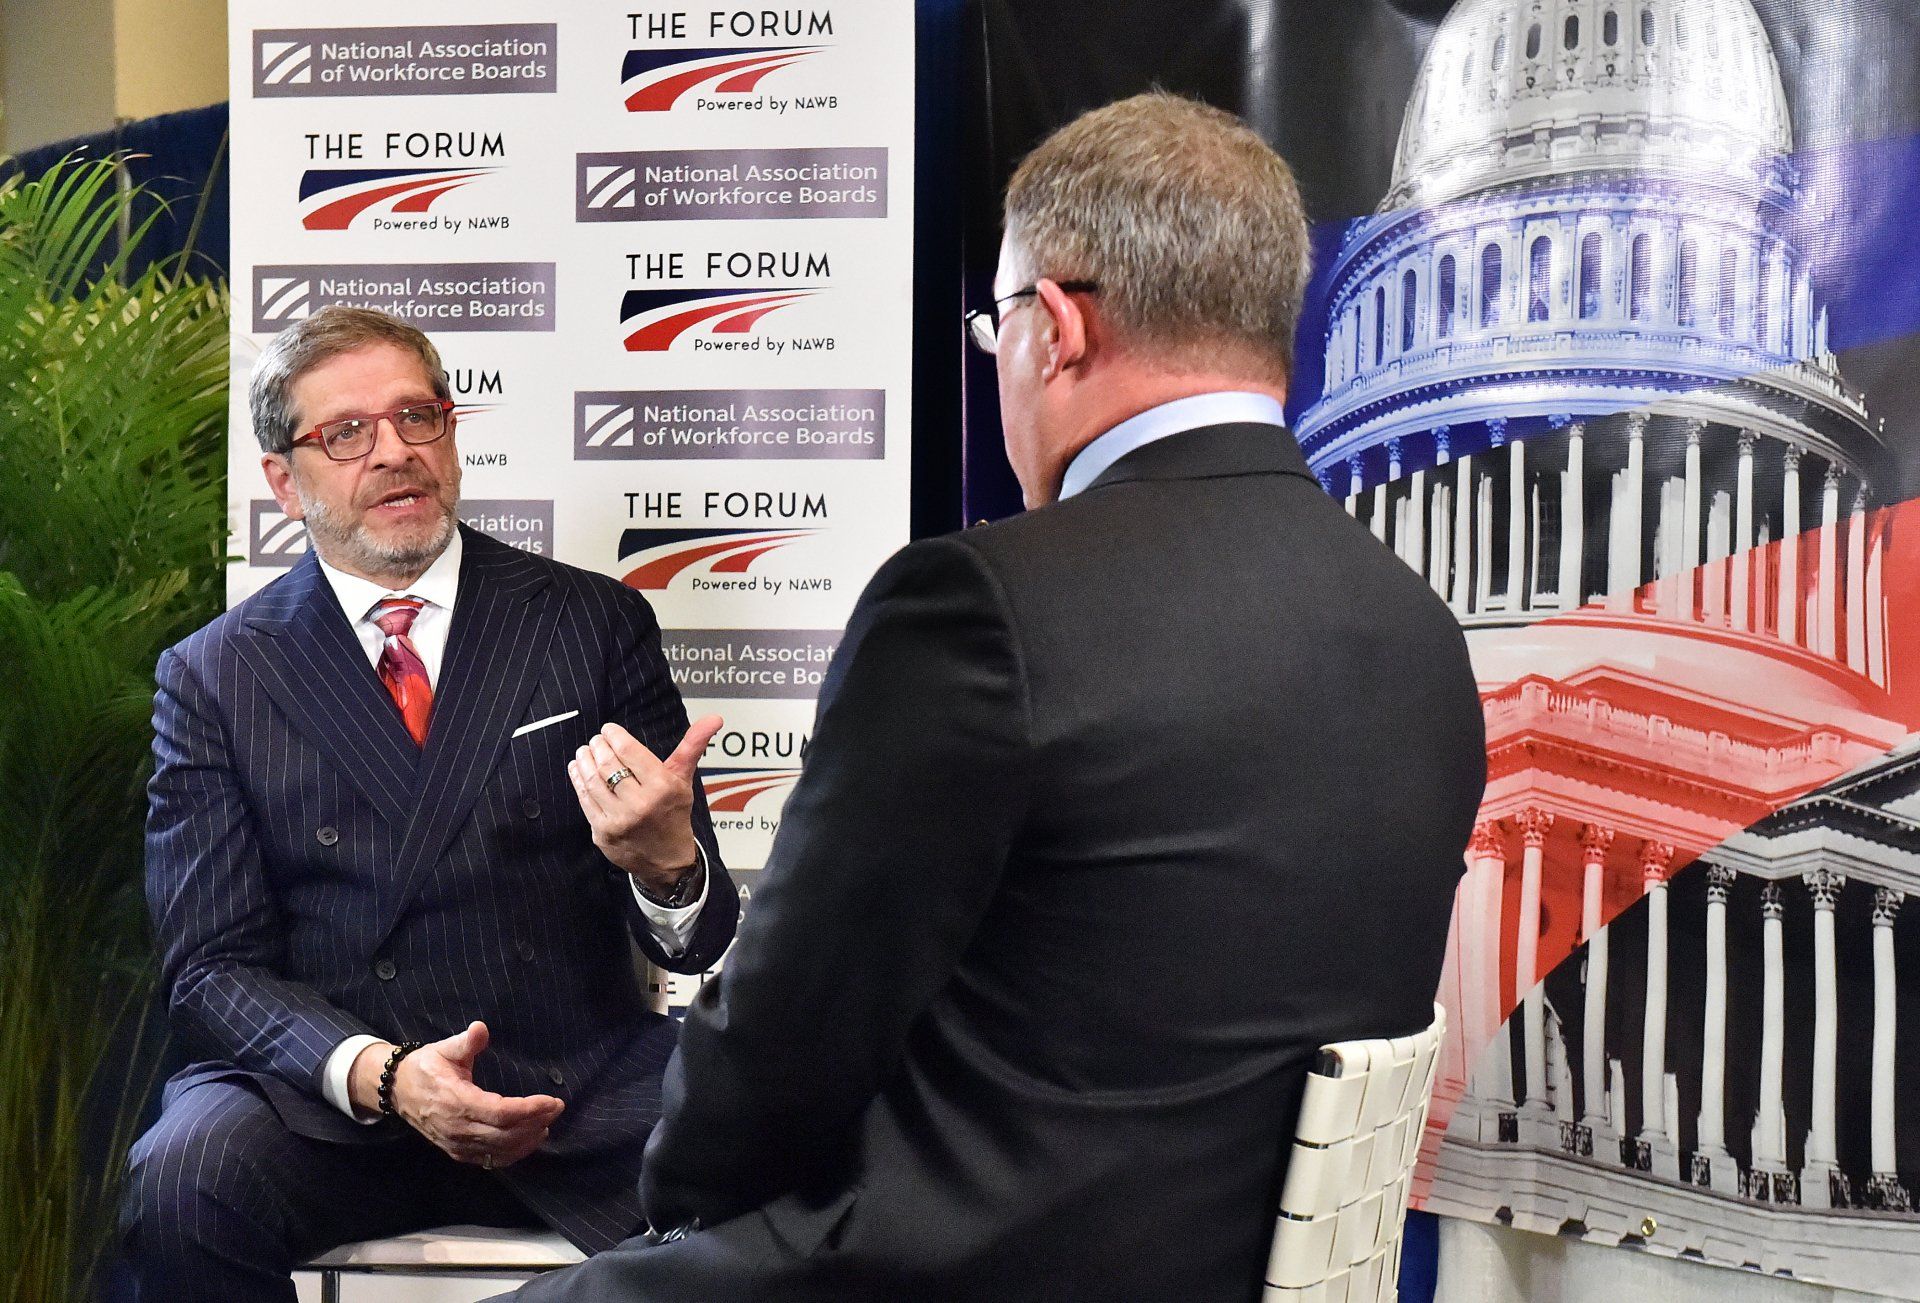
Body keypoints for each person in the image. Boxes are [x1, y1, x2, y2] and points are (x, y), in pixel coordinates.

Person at [509, 92, 1485, 1302]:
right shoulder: (1421, 631)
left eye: (995, 328)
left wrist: (675, 1212)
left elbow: (786, 1044)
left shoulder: (978, 608)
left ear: (1057, 326)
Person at [121, 305, 738, 1301]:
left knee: (794, 1126)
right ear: (285, 480)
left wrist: (668, 864)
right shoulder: (216, 675)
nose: (395, 453)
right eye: (347, 433)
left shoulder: (590, 622)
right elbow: (211, 967)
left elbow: (696, 939)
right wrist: (386, 1073)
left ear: (450, 432)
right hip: (338, 1104)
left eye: (419, 417)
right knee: (187, 1174)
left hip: (573, 1085)